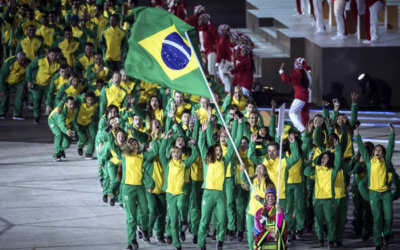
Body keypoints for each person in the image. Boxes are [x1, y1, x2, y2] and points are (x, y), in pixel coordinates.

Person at [354, 123, 395, 249]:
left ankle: (386, 234)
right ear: (373, 152)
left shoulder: (386, 161)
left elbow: (391, 147)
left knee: (388, 217)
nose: (377, 151)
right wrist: (357, 135)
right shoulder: (369, 161)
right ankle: (377, 242)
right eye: (376, 150)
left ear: (382, 153)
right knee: (377, 219)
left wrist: (392, 134)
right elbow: (361, 149)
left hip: (386, 193)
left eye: (380, 150)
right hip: (374, 194)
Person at [26, 47, 61, 124]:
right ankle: (37, 117)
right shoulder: (39, 59)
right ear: (48, 54)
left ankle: (49, 116)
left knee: (49, 101)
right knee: (37, 100)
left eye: (56, 55)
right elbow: (29, 68)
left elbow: (60, 74)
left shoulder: (58, 63)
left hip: (48, 85)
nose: (53, 57)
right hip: (37, 84)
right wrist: (29, 80)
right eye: (52, 55)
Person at [279, 57, 312, 133]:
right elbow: (307, 68)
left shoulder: (298, 73)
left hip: (301, 96)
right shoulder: (306, 72)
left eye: (295, 63)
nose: (294, 64)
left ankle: (302, 130)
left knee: (291, 113)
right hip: (307, 95)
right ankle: (306, 130)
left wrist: (281, 71)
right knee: (304, 115)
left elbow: (286, 79)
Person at [0, 52, 30, 120]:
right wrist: (2, 89)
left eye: (24, 60)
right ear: (17, 59)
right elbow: (1, 76)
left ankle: (17, 114)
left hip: (19, 82)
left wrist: (24, 84)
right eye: (21, 60)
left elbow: (29, 75)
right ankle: (2, 113)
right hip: (6, 81)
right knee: (4, 96)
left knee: (21, 94)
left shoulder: (28, 62)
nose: (22, 62)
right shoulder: (9, 62)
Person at [48, 96, 77, 161]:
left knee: (68, 143)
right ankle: (57, 155)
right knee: (59, 134)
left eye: (73, 104)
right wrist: (66, 131)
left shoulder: (75, 106)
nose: (72, 106)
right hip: (53, 121)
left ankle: (61, 150)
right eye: (70, 104)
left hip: (66, 122)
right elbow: (61, 125)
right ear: (66, 104)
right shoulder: (61, 112)